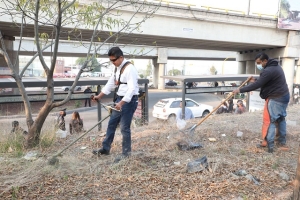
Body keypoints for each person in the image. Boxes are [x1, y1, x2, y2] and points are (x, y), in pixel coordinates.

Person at [232, 52, 290, 153]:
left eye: (259, 63)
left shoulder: (268, 71)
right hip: (284, 96)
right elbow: (265, 81)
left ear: (265, 61)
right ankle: (282, 141)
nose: (258, 65)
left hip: (276, 98)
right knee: (281, 119)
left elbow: (258, 84)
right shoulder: (276, 66)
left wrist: (240, 90)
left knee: (270, 121)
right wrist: (255, 81)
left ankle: (270, 145)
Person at [92, 47, 139, 162]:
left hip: (129, 101)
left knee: (124, 128)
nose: (113, 63)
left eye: (114, 60)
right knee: (111, 124)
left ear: (121, 57)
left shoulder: (130, 69)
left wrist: (122, 103)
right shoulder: (117, 68)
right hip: (119, 99)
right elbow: (110, 84)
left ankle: (126, 154)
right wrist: (99, 96)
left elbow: (132, 89)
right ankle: (105, 148)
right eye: (111, 60)